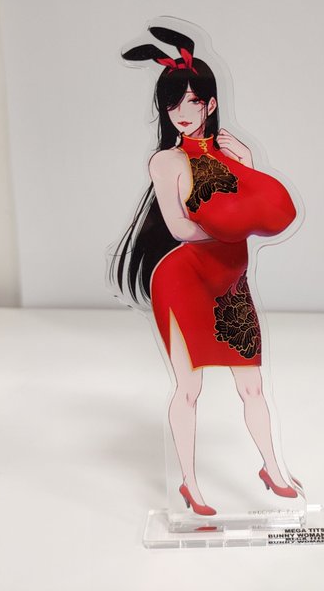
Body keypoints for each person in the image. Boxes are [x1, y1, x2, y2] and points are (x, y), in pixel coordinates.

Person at [110, 26, 300, 516]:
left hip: (229, 281)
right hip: (184, 280)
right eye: (173, 104)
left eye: (192, 102)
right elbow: (178, 227)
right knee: (189, 387)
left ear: (211, 104)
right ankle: (190, 484)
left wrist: (249, 166)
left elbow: (261, 207)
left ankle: (273, 469)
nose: (182, 112)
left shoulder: (231, 153)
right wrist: (227, 230)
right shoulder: (167, 161)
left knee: (252, 384)